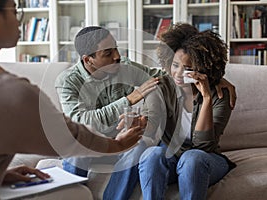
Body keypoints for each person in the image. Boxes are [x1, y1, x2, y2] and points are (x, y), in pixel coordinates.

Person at [0, 0, 146, 199]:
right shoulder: (11, 91)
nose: (19, 20)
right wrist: (118, 145)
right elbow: (70, 137)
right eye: (16, 11)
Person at [55, 25, 237, 200]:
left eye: (116, 49)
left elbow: (164, 75)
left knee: (143, 148)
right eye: (108, 53)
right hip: (92, 143)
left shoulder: (126, 67)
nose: (118, 56)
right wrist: (130, 99)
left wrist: (214, 77)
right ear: (88, 60)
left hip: (123, 143)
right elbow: (82, 122)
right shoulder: (68, 81)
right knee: (78, 148)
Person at [138, 23, 236, 200]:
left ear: (203, 69)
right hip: (172, 158)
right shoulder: (161, 87)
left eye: (188, 68)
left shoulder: (221, 94)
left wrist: (206, 98)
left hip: (206, 160)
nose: (179, 74)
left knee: (192, 158)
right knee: (152, 154)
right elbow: (151, 124)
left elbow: (203, 146)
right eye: (175, 65)